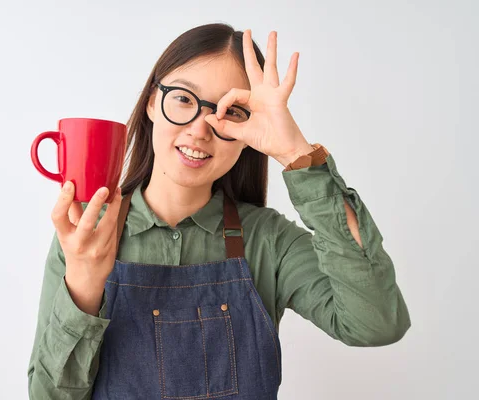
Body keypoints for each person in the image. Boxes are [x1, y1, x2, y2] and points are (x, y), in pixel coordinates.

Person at [27, 23, 411, 399]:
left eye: (230, 112)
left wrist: (294, 150)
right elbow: (48, 395)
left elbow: (375, 324)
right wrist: (84, 285)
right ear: (151, 103)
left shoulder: (268, 240)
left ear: (249, 135)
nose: (200, 129)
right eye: (183, 98)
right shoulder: (84, 237)